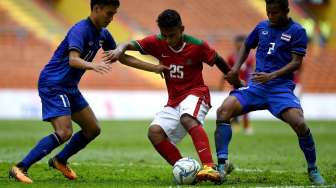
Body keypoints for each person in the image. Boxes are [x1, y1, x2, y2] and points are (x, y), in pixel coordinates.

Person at [9, 0, 166, 184]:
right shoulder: (80, 30)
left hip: (69, 86)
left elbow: (121, 57)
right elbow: (73, 60)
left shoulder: (103, 34)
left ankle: (59, 160)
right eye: (109, 13)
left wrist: (154, 68)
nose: (112, 18)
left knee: (92, 129)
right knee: (64, 131)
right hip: (53, 83)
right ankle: (20, 167)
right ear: (96, 9)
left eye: (114, 14)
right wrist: (93, 65)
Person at [105, 9, 241, 184]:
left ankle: (209, 166)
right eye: (164, 35)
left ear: (182, 29)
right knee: (154, 132)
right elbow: (128, 45)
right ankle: (185, 170)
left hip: (197, 94)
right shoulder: (157, 42)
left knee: (187, 118)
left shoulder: (197, 45)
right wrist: (119, 50)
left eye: (172, 35)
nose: (168, 40)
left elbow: (218, 60)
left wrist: (236, 82)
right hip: (174, 100)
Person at [215, 0, 325, 185]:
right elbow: (246, 45)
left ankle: (313, 168)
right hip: (256, 86)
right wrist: (235, 68)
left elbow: (296, 62)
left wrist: (272, 75)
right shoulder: (262, 26)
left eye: (274, 13)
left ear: (286, 11)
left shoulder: (298, 31)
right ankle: (222, 165)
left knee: (299, 123)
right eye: (268, 12)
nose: (270, 17)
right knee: (223, 111)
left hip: (280, 88)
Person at [218, 35, 255, 135]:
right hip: (236, 85)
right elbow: (226, 71)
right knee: (232, 106)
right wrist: (221, 85)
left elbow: (253, 70)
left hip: (247, 85)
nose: (239, 46)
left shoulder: (250, 57)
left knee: (246, 106)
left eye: (241, 44)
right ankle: (234, 125)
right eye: (237, 44)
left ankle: (246, 127)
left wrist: (253, 83)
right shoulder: (231, 57)